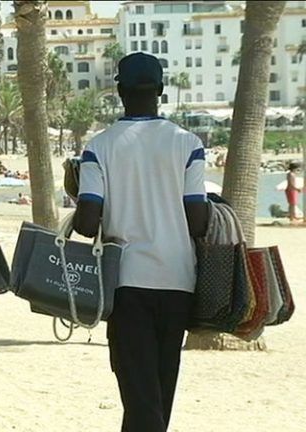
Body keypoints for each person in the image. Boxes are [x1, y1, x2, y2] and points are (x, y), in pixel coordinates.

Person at [73, 52, 209, 432]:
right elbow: (197, 222)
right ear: (161, 90)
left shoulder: (99, 147)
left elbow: (86, 223)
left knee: (138, 394)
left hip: (127, 282)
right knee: (160, 392)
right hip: (179, 280)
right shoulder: (188, 144)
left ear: (119, 90)